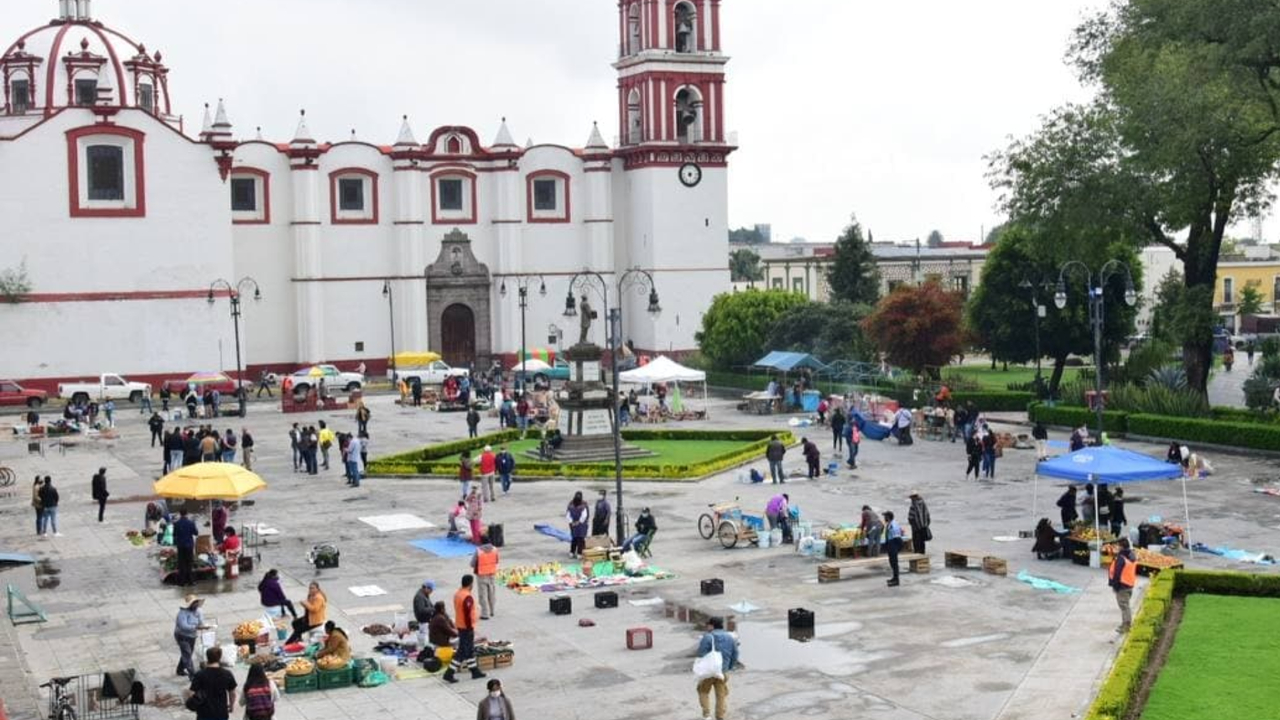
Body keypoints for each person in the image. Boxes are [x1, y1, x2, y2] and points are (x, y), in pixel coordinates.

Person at [444, 574, 487, 683]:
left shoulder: (458, 594)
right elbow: (467, 614)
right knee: (463, 651)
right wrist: (470, 627)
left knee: (468, 650)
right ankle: (449, 673)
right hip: (466, 627)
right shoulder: (467, 596)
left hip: (460, 625)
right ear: (470, 584)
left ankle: (474, 671)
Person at [695, 617, 738, 720]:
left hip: (709, 672)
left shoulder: (708, 637)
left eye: (708, 625)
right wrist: (729, 667)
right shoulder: (730, 637)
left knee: (703, 691)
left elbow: (700, 653)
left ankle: (707, 715)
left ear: (712, 626)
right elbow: (735, 654)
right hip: (722, 672)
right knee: (721, 695)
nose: (707, 627)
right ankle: (720, 716)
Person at [187, 646, 237, 720]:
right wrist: (231, 706)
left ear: (207, 657)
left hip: (204, 713)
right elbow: (232, 693)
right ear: (219, 658)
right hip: (221, 713)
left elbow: (191, 693)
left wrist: (194, 706)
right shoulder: (227, 674)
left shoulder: (200, 674)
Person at [1108, 537, 1138, 634]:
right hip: (1129, 584)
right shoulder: (1131, 555)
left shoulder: (1121, 558)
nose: (1115, 547)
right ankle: (1125, 624)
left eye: (1117, 545)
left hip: (1122, 585)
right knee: (1126, 605)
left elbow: (1117, 573)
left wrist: (1115, 586)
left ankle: (1126, 626)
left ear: (1121, 546)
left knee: (1124, 606)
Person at [174, 594, 204, 677]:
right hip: (182, 636)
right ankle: (192, 674)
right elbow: (183, 626)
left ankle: (180, 670)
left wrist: (203, 626)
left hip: (192, 636)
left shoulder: (199, 611)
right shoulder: (182, 613)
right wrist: (195, 627)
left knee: (187, 653)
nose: (196, 605)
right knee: (187, 654)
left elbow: (201, 622)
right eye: (194, 603)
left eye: (197, 602)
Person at [472, 542, 500, 620]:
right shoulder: (495, 549)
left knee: (483, 595)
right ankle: (492, 611)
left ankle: (485, 613)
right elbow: (497, 561)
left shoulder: (478, 551)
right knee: (491, 593)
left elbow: (472, 564)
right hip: (491, 574)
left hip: (482, 575)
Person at [173, 508, 198, 585]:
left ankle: (182, 582)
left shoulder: (176, 523)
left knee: (181, 563)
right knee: (189, 563)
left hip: (180, 545)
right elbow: (196, 533)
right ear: (187, 514)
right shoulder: (191, 523)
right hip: (189, 545)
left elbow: (174, 534)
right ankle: (190, 581)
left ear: (180, 514)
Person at [883, 510, 904, 587]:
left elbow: (897, 537)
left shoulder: (893, 525)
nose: (884, 518)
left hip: (893, 544)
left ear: (888, 517)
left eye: (885, 516)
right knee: (892, 562)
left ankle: (896, 580)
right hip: (891, 544)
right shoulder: (890, 524)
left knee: (894, 563)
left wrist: (896, 548)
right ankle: (894, 578)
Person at [566, 491, 590, 558]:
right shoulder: (571, 504)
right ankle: (573, 552)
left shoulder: (583, 505)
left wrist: (576, 522)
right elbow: (568, 515)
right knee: (575, 538)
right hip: (575, 524)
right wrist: (573, 522)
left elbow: (584, 516)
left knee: (579, 538)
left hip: (581, 525)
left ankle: (578, 552)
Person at [413, 580, 436, 648]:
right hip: (423, 622)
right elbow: (421, 610)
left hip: (427, 621)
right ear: (426, 588)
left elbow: (430, 605)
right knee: (425, 641)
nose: (431, 592)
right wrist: (432, 609)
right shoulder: (419, 597)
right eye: (431, 590)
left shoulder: (425, 595)